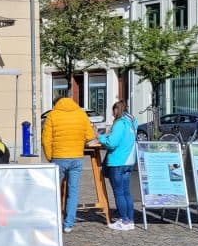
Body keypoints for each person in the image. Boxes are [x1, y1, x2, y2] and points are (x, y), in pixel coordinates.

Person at [41, 97, 95, 233]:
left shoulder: (52, 115)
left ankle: (53, 220)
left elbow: (46, 140)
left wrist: (49, 157)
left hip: (58, 157)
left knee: (53, 191)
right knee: (73, 191)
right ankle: (68, 224)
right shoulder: (81, 114)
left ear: (56, 104)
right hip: (76, 157)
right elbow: (89, 136)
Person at [98, 100, 137, 231]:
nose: (112, 114)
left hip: (117, 161)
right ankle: (130, 220)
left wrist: (100, 137)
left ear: (116, 110)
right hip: (129, 161)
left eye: (113, 111)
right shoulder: (132, 122)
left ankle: (124, 220)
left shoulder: (120, 123)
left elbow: (112, 143)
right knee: (126, 193)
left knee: (119, 193)